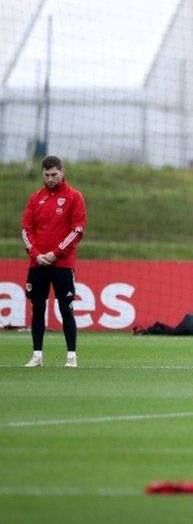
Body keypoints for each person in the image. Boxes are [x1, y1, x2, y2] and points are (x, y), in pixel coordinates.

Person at [21, 155, 87, 368]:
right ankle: (37, 355)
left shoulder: (74, 197)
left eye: (54, 174)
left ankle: (71, 356)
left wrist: (56, 253)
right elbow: (26, 229)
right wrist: (35, 253)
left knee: (66, 308)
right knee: (37, 307)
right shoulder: (35, 198)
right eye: (47, 175)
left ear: (62, 172)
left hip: (62, 264)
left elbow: (77, 230)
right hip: (38, 263)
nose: (50, 179)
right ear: (43, 174)